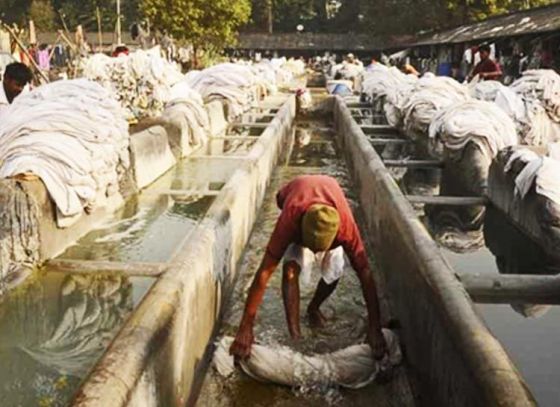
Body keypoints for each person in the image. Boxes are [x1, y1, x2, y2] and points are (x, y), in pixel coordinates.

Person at [230, 175, 388, 361]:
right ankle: (295, 336)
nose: (313, 253)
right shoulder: (290, 219)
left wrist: (374, 327)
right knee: (289, 272)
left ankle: (313, 308)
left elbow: (365, 272)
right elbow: (265, 271)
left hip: (328, 222)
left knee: (334, 270)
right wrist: (245, 327)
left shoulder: (345, 227)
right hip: (299, 220)